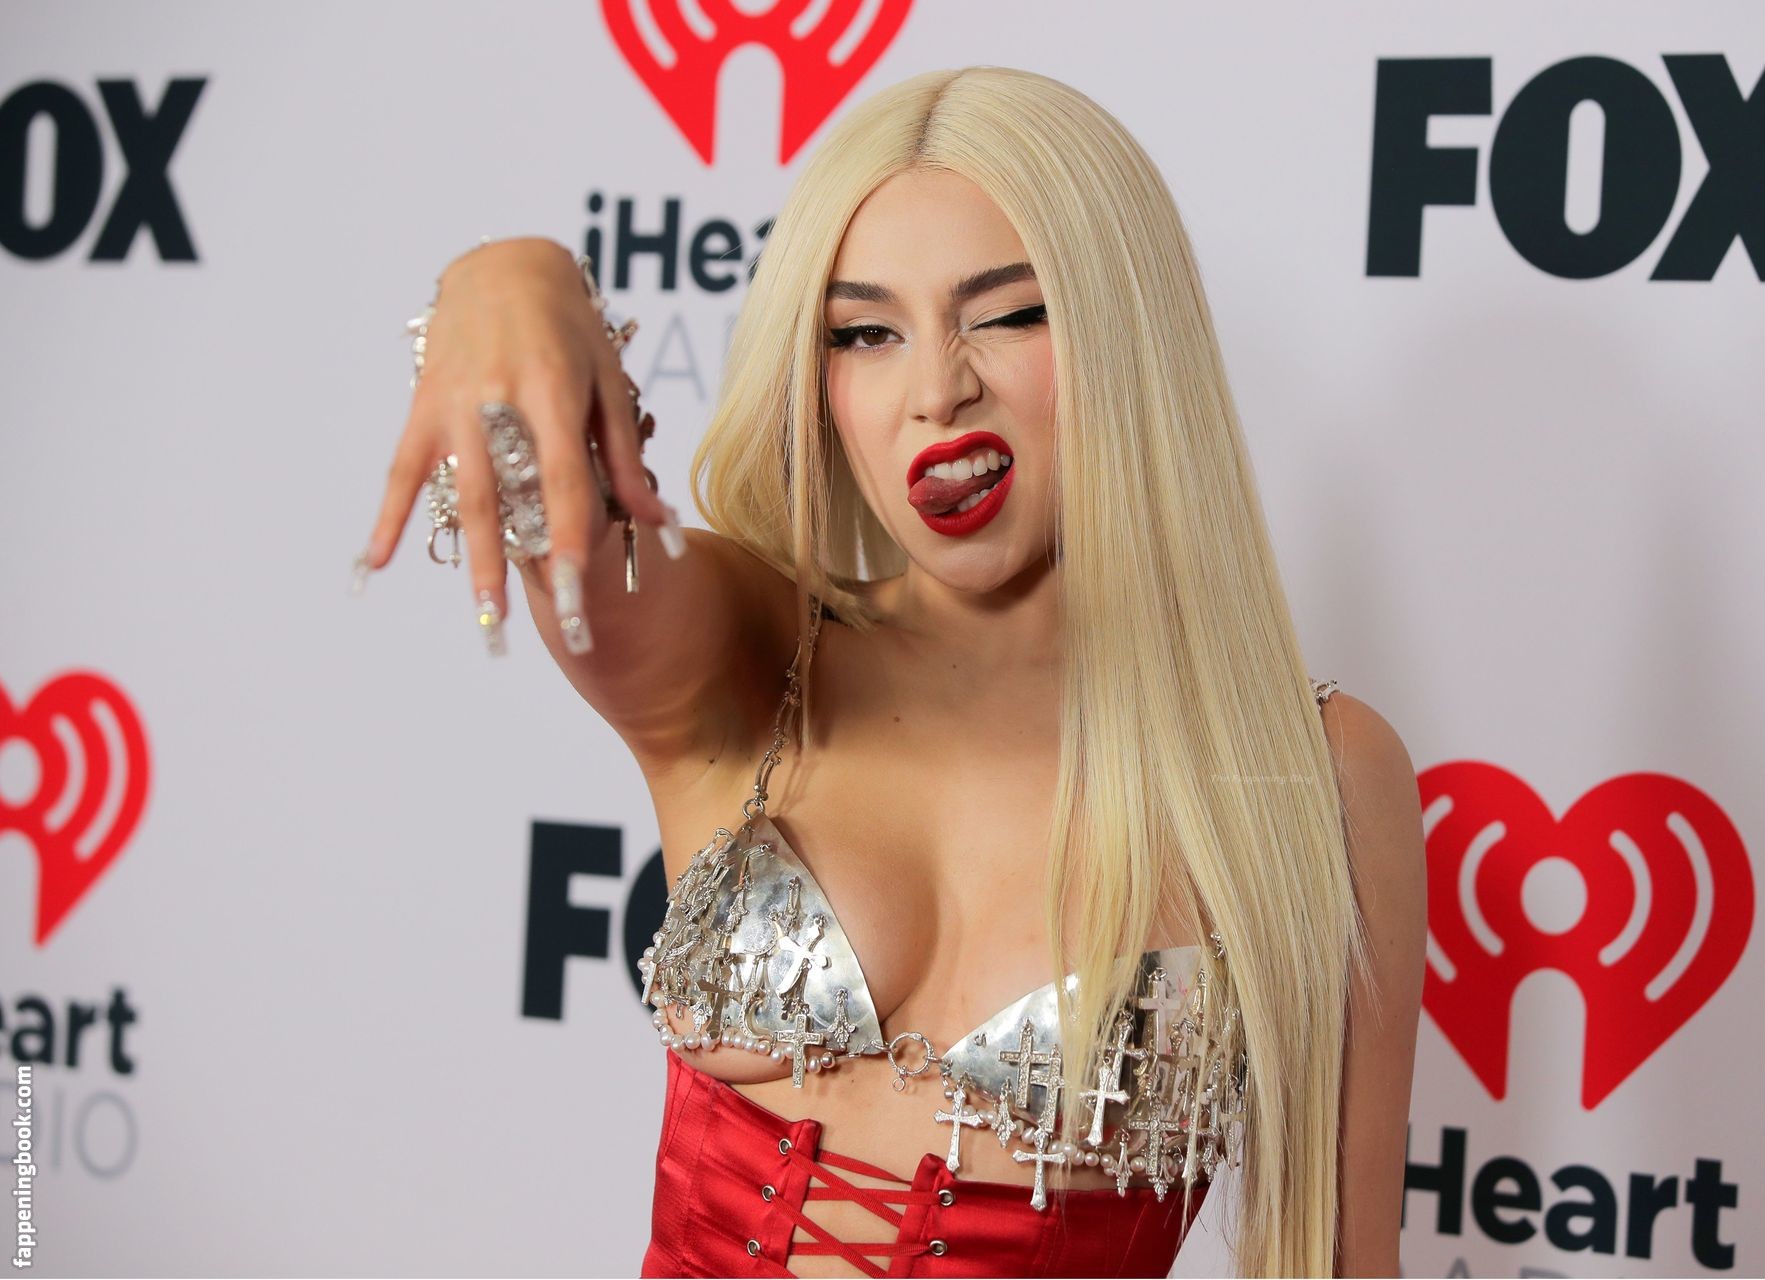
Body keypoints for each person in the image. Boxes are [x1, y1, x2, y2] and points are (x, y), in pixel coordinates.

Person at [357, 65, 1425, 1279]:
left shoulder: (1308, 775)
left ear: (1129, 332)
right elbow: (562, 527)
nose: (935, 390)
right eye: (866, 332)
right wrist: (509, 280)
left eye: (1008, 315)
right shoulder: (755, 646)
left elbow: (1343, 1261)